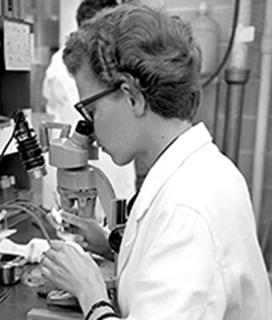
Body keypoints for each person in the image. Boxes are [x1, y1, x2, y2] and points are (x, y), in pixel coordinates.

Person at [40, 4, 272, 320]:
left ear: (132, 96)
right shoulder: (202, 171)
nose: (90, 131)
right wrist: (113, 247)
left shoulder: (186, 207)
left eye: (91, 112)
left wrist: (89, 292)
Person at [41, 0, 136, 209]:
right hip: (87, 167)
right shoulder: (65, 63)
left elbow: (51, 106)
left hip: (106, 164)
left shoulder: (61, 62)